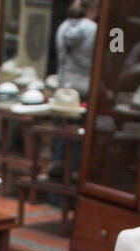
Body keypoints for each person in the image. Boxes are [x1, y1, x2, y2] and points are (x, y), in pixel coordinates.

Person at [50, 1, 96, 180]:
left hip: (63, 88)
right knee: (78, 133)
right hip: (85, 88)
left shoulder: (63, 27)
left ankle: (58, 163)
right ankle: (76, 171)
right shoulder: (94, 29)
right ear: (94, 9)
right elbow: (110, 52)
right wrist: (119, 41)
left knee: (61, 130)